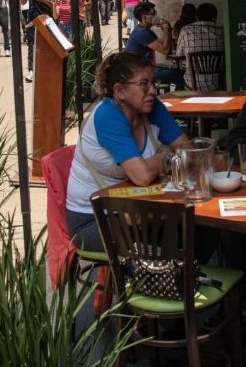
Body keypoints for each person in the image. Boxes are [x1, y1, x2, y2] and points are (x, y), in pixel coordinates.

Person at [66, 52, 190, 252]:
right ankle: (169, 280)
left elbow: (188, 151)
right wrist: (166, 154)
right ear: (120, 90)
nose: (152, 90)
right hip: (94, 219)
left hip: (138, 210)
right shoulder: (108, 115)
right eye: (144, 84)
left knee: (197, 230)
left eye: (153, 83)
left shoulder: (152, 107)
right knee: (170, 242)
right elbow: (141, 176)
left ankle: (187, 280)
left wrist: (162, 159)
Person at [125, 1, 186, 91]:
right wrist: (165, 29)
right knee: (181, 75)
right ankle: (177, 101)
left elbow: (165, 44)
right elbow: (165, 50)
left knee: (176, 73)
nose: (156, 16)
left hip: (146, 68)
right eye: (153, 13)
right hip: (138, 72)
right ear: (144, 17)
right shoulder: (141, 33)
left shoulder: (147, 31)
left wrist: (168, 29)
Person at [21, 0, 57, 82]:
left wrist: (43, 0)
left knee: (46, 45)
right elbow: (22, 1)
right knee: (31, 45)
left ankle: (46, 68)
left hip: (46, 20)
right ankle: (31, 70)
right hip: (32, 19)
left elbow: (54, 5)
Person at [175, 2, 223, 90]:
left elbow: (179, 55)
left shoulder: (186, 30)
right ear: (215, 17)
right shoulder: (222, 30)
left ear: (197, 17)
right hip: (217, 83)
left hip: (192, 84)